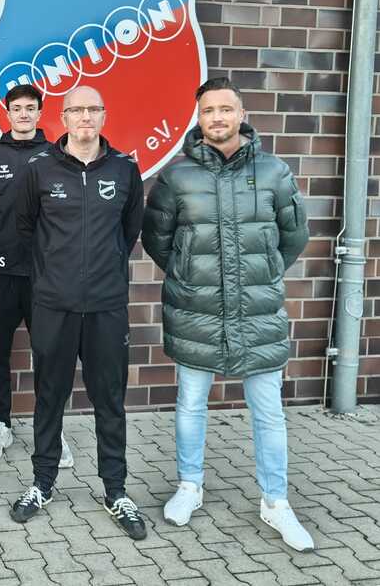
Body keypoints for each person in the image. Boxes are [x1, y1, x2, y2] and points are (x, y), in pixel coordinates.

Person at [142, 77, 313, 552]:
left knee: (269, 413)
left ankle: (276, 502)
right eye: (208, 111)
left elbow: (293, 236)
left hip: (257, 312)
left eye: (225, 109)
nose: (217, 118)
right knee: (191, 405)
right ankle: (189, 486)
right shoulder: (176, 177)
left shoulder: (275, 172)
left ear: (241, 114)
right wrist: (189, 273)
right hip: (195, 310)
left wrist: (264, 271)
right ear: (198, 118)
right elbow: (157, 239)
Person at [11, 85, 146, 540]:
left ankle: (115, 490)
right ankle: (43, 483)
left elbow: (128, 233)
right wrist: (56, 275)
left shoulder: (126, 170)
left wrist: (101, 272)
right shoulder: (39, 168)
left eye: (93, 109)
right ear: (63, 117)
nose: (85, 116)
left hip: (107, 306)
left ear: (104, 115)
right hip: (54, 305)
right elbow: (27, 228)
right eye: (76, 110)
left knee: (110, 401)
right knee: (49, 397)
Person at [0, 85, 73, 469]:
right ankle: (0, 423)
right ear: (7, 113)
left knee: (47, 354)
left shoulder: (57, 157)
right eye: (17, 109)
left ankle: (50, 430)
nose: (24, 115)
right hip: (0, 273)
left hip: (44, 276)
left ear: (40, 112)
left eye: (31, 109)